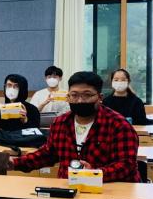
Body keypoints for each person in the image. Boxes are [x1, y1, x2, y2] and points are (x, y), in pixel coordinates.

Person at [9, 71, 141, 183]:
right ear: (68, 97)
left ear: (100, 97)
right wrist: (15, 163)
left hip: (109, 190)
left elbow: (127, 165)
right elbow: (47, 154)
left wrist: (94, 174)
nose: (80, 100)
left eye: (87, 95)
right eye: (74, 95)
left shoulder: (119, 125)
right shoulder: (60, 123)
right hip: (69, 189)